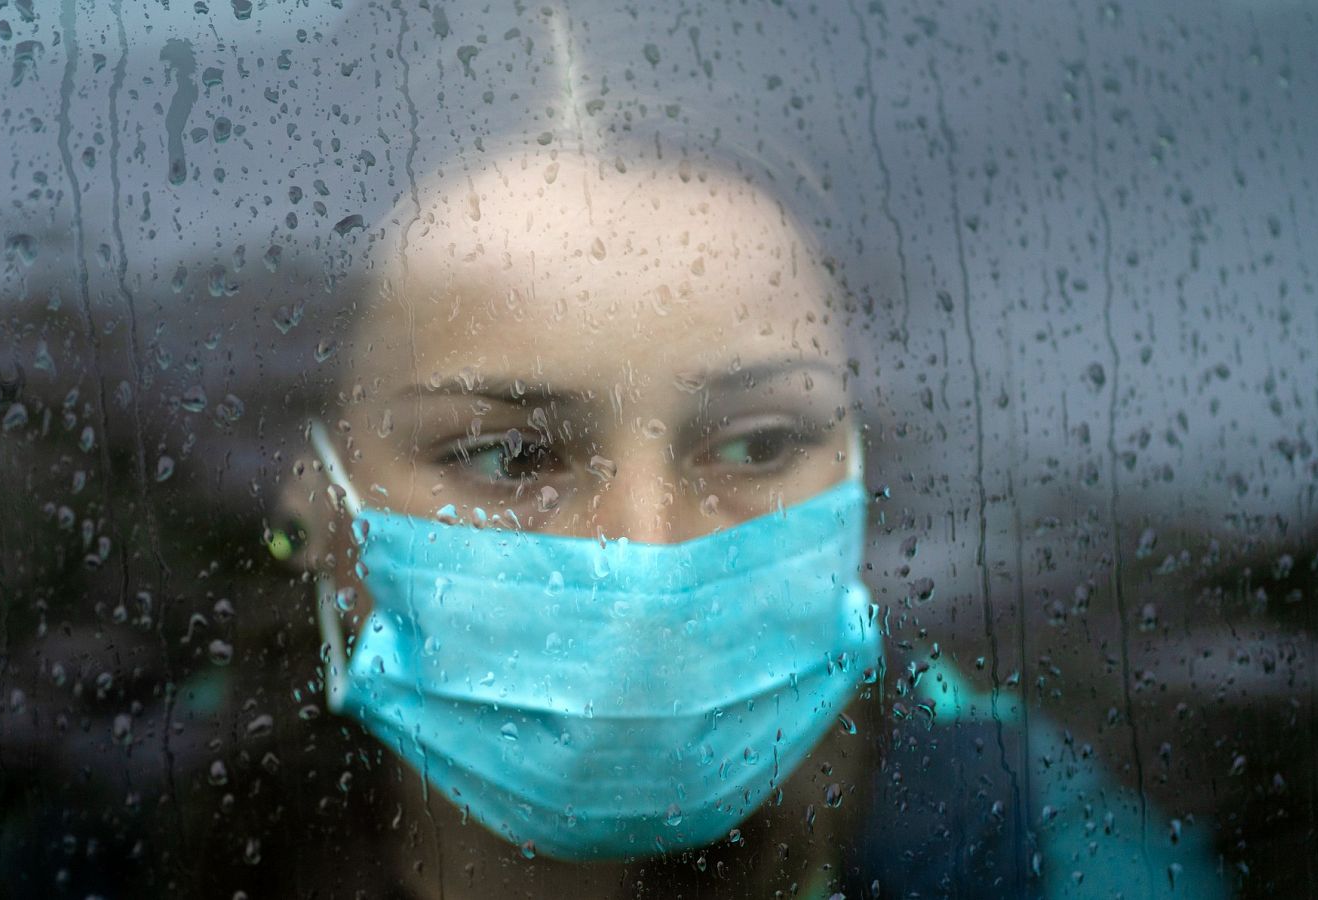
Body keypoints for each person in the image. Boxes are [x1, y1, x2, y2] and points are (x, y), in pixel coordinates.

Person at [272, 127, 1227, 897]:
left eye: (757, 445)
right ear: (316, 502)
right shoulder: (156, 821)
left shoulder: (1011, 832)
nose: (651, 551)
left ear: (855, 473)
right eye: (508, 457)